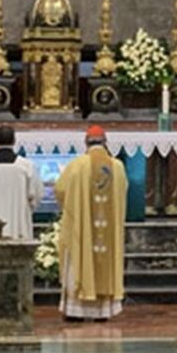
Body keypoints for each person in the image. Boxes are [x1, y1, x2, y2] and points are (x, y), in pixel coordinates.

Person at [54, 126, 128, 321]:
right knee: (106, 260)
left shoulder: (76, 165)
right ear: (105, 142)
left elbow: (60, 190)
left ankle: (76, 311)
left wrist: (75, 205)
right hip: (108, 230)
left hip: (82, 229)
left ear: (86, 143)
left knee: (79, 257)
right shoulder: (117, 167)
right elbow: (123, 191)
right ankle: (103, 311)